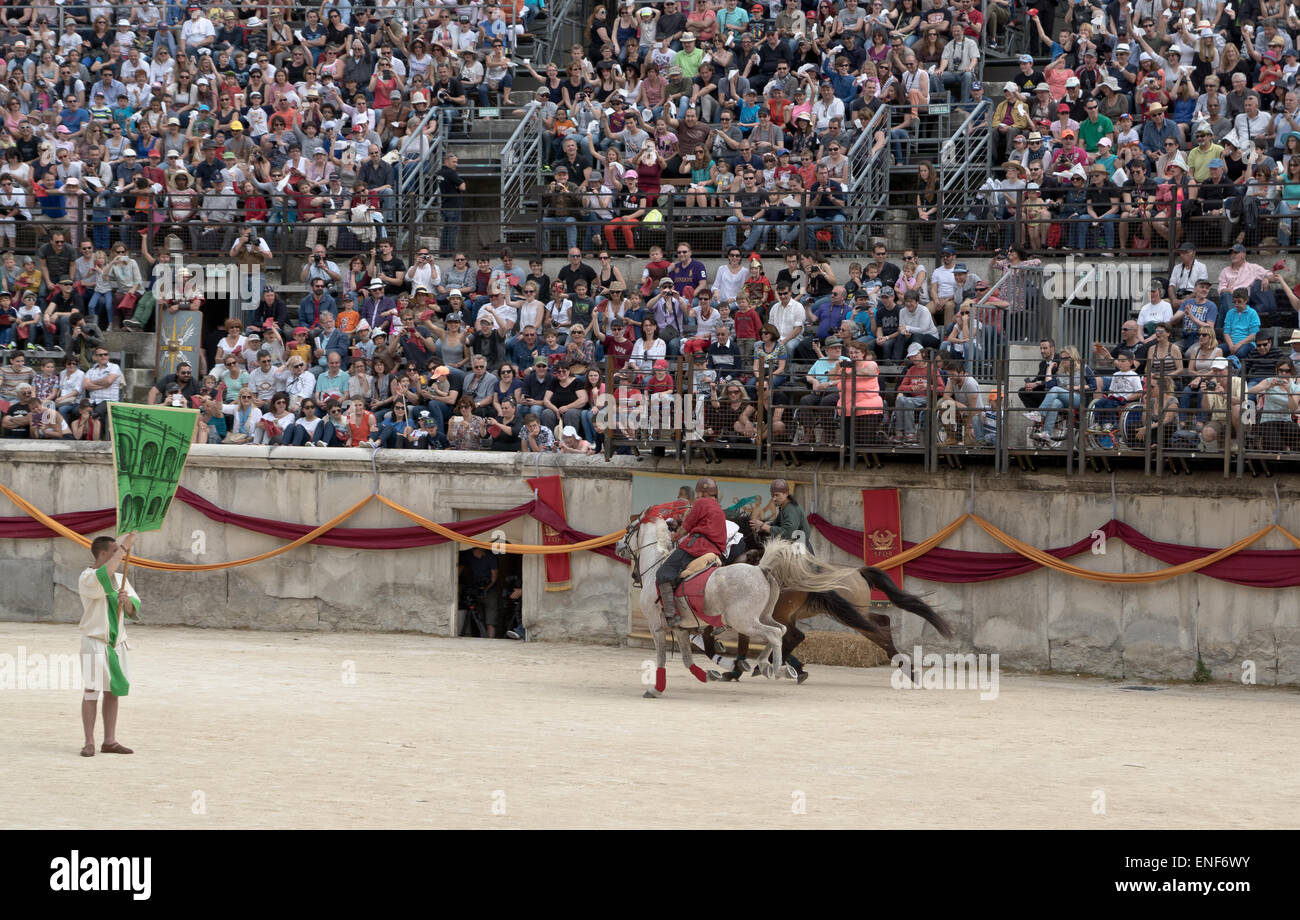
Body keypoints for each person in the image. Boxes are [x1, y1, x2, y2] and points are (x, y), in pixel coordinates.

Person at [77, 531, 139, 757]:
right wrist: (124, 546)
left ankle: (110, 740)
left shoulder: (119, 578)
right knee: (92, 691)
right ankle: (89, 742)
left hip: (117, 643)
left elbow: (133, 608)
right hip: (95, 642)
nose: (119, 556)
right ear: (103, 554)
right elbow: (103, 577)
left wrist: (127, 603)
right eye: (114, 552)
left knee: (113, 692)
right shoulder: (88, 577)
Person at [656, 477, 727, 627]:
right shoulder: (719, 509)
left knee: (663, 573)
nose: (697, 496)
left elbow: (686, 527)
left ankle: (671, 616)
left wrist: (673, 537)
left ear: (702, 492)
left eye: (698, 493)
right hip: (714, 552)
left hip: (697, 547)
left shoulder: (701, 503)